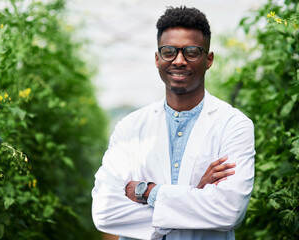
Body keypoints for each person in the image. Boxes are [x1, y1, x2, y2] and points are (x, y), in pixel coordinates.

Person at [92, 6, 255, 240]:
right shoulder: (129, 128)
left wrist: (148, 192)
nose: (179, 60)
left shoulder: (233, 125)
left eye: (191, 51)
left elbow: (229, 211)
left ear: (208, 59)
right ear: (157, 58)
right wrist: (194, 197)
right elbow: (104, 212)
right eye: (169, 51)